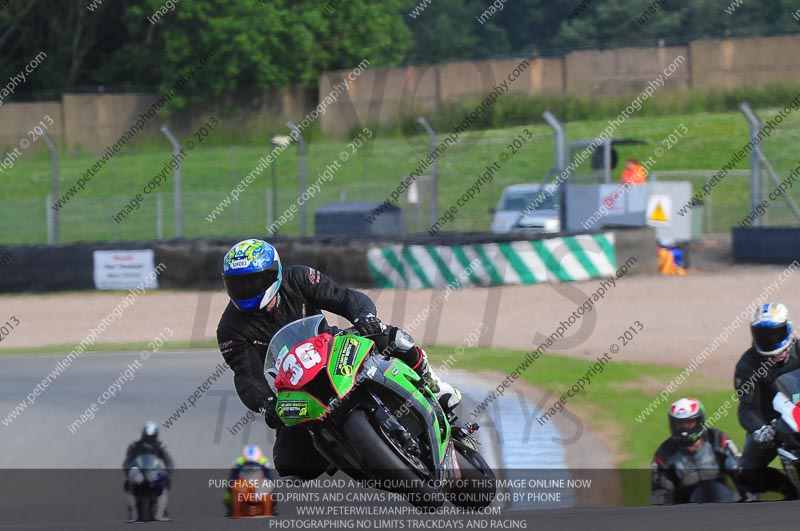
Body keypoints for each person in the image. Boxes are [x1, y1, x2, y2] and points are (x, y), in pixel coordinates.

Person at [216, 239, 461, 479]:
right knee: (290, 465)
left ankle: (431, 383)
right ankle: (348, 453)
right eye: (238, 285)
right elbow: (247, 376)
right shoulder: (230, 329)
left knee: (389, 337)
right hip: (296, 385)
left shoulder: (298, 278)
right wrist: (265, 403)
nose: (247, 289)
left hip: (335, 349)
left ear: (273, 275)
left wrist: (363, 316)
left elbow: (342, 297)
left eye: (253, 281)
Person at [735, 302, 800, 499]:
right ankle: (787, 488)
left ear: (787, 329)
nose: (771, 340)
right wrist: (761, 429)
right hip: (773, 424)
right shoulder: (747, 366)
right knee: (747, 472)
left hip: (799, 413)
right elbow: (746, 407)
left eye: (775, 333)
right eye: (764, 335)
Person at [651, 398, 741, 505]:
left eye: (689, 423)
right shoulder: (664, 452)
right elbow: (660, 493)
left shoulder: (717, 438)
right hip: (687, 512)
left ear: (700, 421)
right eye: (679, 424)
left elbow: (741, 472)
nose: (684, 429)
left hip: (725, 503)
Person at [122, 421, 174, 522]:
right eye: (147, 436)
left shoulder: (160, 446)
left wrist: (168, 472)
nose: (149, 438)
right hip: (138, 471)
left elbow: (168, 460)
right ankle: (132, 514)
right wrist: (128, 472)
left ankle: (161, 512)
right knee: (131, 485)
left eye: (152, 436)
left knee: (163, 483)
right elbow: (127, 461)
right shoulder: (134, 446)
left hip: (153, 471)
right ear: (143, 434)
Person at [224, 445, 274, 517]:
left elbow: (270, 480)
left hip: (258, 486)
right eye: (249, 464)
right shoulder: (238, 463)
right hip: (244, 487)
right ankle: (236, 513)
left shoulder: (264, 462)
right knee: (233, 491)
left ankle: (267, 513)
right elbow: (231, 481)